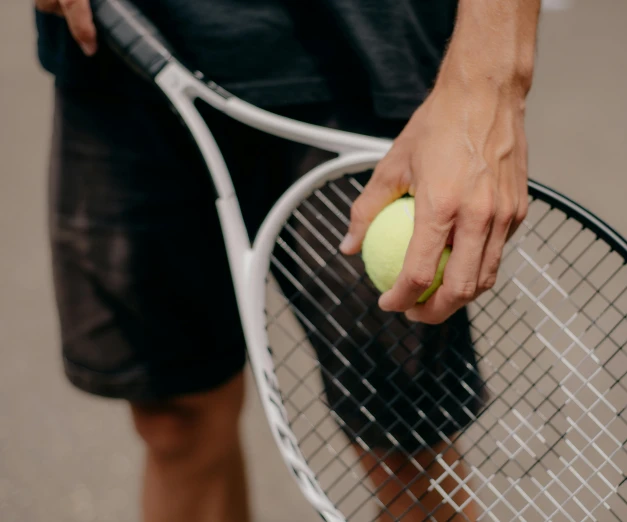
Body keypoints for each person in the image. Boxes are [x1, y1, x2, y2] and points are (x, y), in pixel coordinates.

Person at [34, 0, 540, 521]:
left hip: (363, 60)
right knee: (174, 416)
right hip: (123, 53)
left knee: (404, 448)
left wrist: (491, 84)